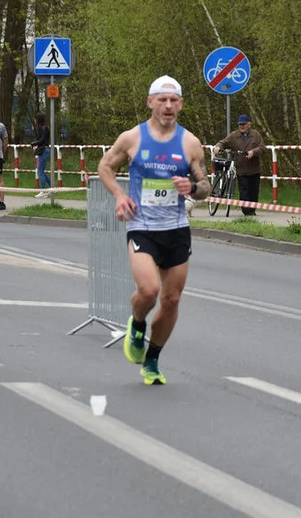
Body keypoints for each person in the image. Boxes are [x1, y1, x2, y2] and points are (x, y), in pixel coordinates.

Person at [97, 75, 210, 386]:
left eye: (174, 100)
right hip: (142, 227)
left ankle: (153, 359)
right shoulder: (132, 138)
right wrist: (120, 196)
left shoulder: (190, 143)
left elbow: (205, 187)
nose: (168, 105)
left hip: (176, 229)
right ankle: (137, 325)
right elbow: (105, 166)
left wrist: (193, 187)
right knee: (149, 291)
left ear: (181, 105)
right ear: (150, 102)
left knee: (171, 300)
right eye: (162, 99)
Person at [213, 114, 266, 216]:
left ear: (249, 124)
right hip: (241, 169)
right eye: (240, 124)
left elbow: (263, 148)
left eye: (244, 124)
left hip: (254, 169)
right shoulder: (234, 135)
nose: (241, 126)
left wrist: (254, 152)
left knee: (253, 191)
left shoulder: (256, 135)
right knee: (244, 191)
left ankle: (252, 210)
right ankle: (246, 211)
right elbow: (223, 142)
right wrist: (218, 147)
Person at [31, 112, 51, 198]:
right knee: (41, 170)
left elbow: (42, 140)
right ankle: (52, 187)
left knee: (40, 171)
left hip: (44, 150)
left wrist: (34, 144)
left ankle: (43, 191)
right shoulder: (41, 129)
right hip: (43, 150)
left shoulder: (44, 128)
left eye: (36, 119)